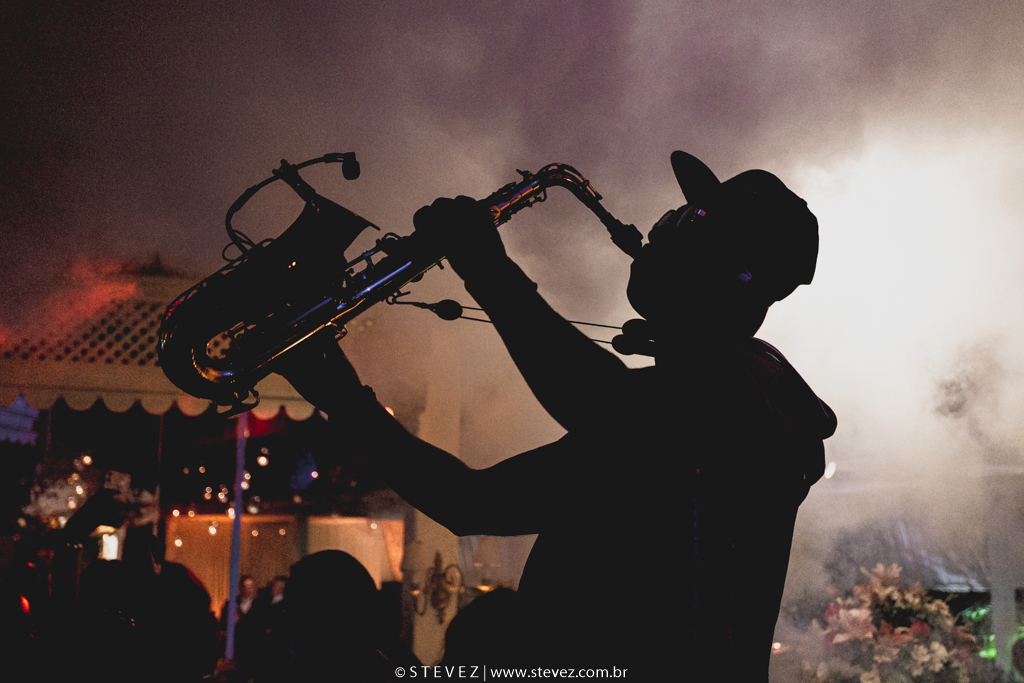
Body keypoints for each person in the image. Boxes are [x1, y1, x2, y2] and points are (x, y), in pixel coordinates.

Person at [280, 151, 837, 680]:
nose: (661, 228)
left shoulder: (731, 406)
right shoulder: (723, 402)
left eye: (692, 220)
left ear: (726, 272)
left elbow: (491, 489)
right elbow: (482, 495)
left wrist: (485, 269)